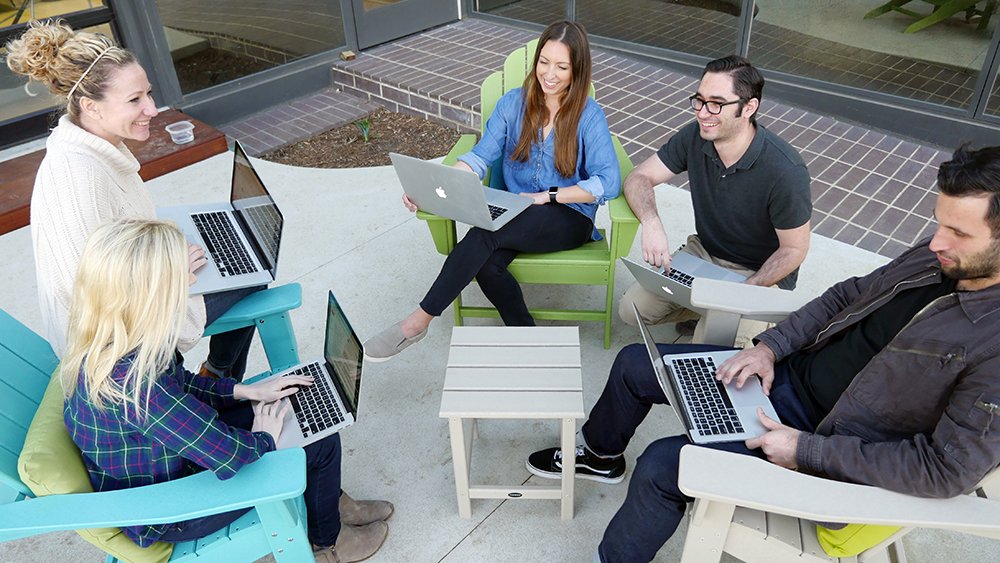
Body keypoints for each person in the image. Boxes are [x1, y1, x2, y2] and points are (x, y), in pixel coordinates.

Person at [528, 144, 1000, 562]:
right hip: (781, 379)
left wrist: (805, 448)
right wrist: (771, 348)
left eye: (959, 232)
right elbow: (844, 297)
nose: (937, 241)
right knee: (636, 365)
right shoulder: (934, 258)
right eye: (938, 224)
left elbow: (946, 469)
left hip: (818, 438)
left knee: (661, 465)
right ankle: (600, 456)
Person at [61, 218, 391, 562]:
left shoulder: (113, 342)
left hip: (172, 462)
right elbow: (231, 456)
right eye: (181, 276)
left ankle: (328, 507)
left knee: (296, 405)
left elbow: (183, 384)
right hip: (173, 505)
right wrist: (266, 439)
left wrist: (246, 391)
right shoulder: (139, 390)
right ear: (152, 295)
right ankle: (330, 543)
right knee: (317, 441)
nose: (192, 279)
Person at [6, 19, 251, 378]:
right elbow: (89, 296)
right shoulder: (79, 178)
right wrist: (171, 272)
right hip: (115, 346)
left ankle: (213, 382)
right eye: (135, 100)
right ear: (91, 106)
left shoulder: (93, 148)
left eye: (148, 93)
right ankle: (216, 382)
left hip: (137, 297)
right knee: (249, 270)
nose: (152, 108)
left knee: (238, 253)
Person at [364, 20, 620, 361]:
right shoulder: (512, 104)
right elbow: (479, 157)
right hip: (517, 212)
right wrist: (435, 188)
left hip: (568, 216)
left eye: (562, 66)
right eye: (544, 62)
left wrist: (550, 196)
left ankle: (416, 323)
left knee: (485, 235)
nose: (550, 74)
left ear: (577, 70)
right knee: (486, 265)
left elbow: (608, 181)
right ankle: (528, 339)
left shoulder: (589, 115)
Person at [618, 55, 811, 336]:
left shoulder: (786, 170)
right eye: (699, 100)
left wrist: (749, 289)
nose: (702, 112)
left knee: (711, 345)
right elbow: (638, 178)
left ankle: (748, 318)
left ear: (749, 108)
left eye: (716, 104)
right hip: (705, 255)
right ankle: (704, 307)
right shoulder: (695, 136)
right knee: (632, 309)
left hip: (758, 274)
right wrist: (651, 222)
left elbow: (795, 249)